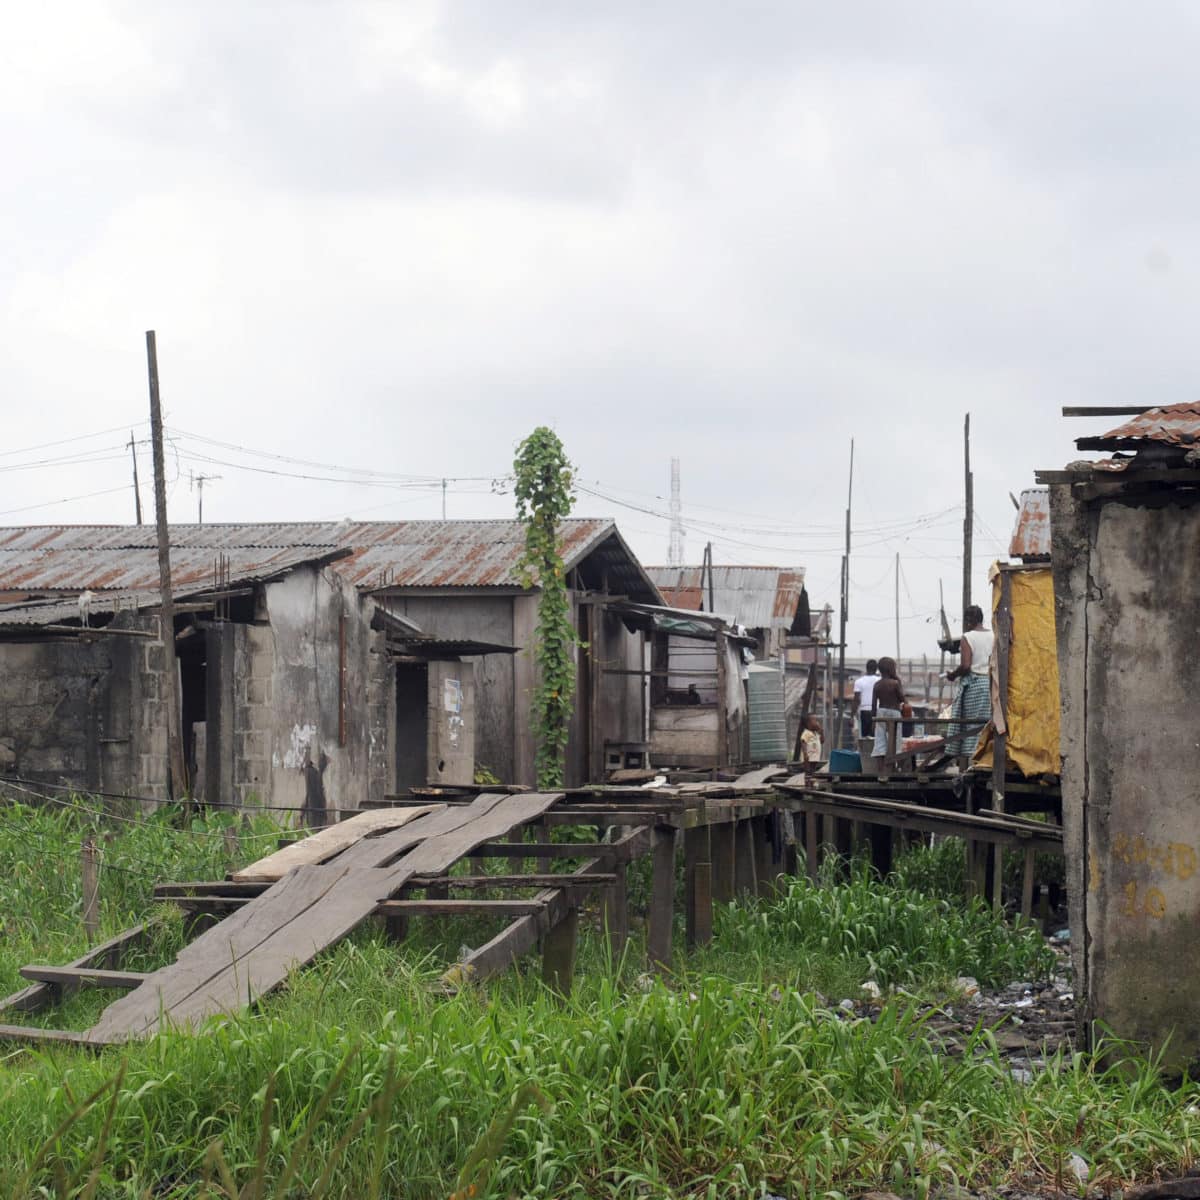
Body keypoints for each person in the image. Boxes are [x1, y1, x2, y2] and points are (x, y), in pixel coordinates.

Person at [946, 605, 993, 759]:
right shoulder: (994, 635)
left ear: (967, 620)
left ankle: (969, 764)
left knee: (971, 728)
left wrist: (953, 675)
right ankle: (985, 760)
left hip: (975, 686)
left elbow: (966, 666)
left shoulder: (968, 637)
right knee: (987, 726)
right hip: (992, 685)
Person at [870, 657, 906, 758]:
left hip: (881, 712)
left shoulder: (877, 684)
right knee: (896, 738)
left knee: (880, 740)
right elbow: (903, 699)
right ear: (891, 669)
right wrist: (898, 681)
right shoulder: (895, 683)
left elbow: (873, 705)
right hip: (894, 712)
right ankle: (895, 763)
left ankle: (881, 770)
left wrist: (873, 720)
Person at [851, 659, 881, 737]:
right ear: (876, 669)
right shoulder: (880, 680)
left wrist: (852, 716)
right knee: (876, 736)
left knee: (864, 737)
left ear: (866, 668)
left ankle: (865, 749)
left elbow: (856, 700)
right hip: (877, 711)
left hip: (864, 711)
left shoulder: (859, 681)